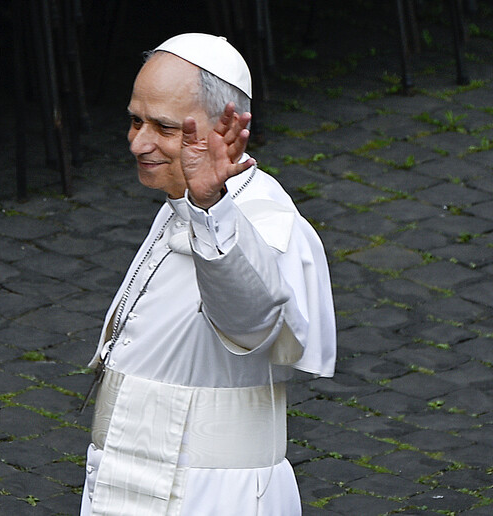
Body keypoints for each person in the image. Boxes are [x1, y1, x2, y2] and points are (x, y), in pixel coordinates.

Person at [79, 33, 336, 515]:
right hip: (132, 476)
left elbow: (252, 322)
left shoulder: (266, 222)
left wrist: (210, 206)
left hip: (211, 496)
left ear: (225, 127)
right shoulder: (182, 199)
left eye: (164, 127)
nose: (139, 142)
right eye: (136, 120)